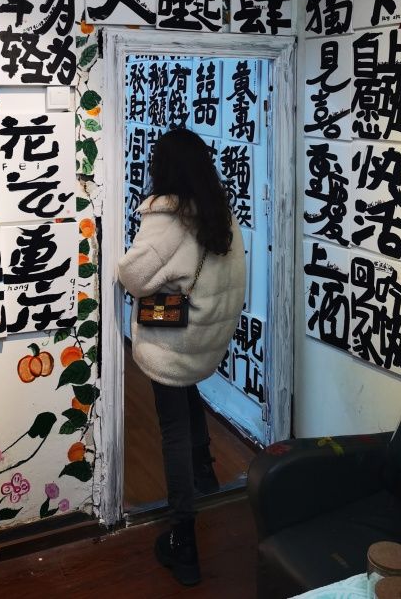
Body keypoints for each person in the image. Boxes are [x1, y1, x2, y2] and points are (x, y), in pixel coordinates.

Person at [118, 128, 246, 587]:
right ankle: (206, 470)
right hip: (204, 339)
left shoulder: (167, 219)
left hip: (172, 342)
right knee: (187, 394)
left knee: (171, 431)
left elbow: (133, 276)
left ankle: (183, 540)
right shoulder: (219, 212)